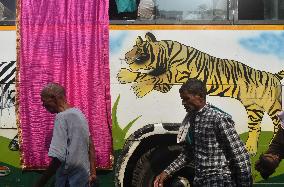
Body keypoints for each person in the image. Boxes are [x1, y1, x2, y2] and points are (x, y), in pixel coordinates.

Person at [154, 78, 253, 187]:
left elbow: (240, 156)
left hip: (220, 181)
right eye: (182, 100)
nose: (183, 103)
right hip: (201, 181)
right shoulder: (193, 119)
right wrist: (167, 172)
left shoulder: (218, 118)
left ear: (200, 96)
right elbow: (190, 153)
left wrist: (245, 183)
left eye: (186, 99)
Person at [33, 83, 96, 187]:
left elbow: (57, 158)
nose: (43, 105)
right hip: (84, 179)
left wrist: (39, 183)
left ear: (53, 98)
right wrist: (93, 173)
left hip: (69, 181)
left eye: (44, 101)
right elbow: (91, 145)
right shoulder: (79, 113)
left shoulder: (61, 118)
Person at [255, 110, 284, 180]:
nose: (276, 157)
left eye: (272, 157)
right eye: (276, 161)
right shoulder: (276, 155)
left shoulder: (276, 146)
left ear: (266, 155)